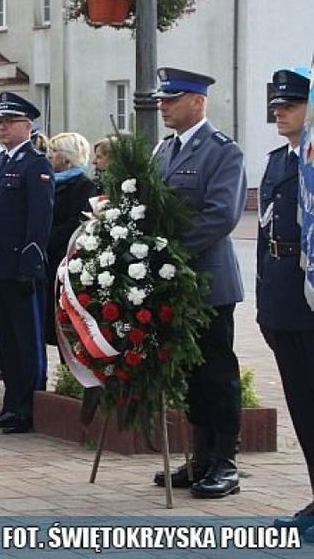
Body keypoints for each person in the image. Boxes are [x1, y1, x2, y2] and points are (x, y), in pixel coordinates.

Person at [149, 67, 246, 499]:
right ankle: (202, 456)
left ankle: (226, 461)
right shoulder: (163, 151)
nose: (163, 106)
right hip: (172, 284)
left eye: (172, 99)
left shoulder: (223, 151)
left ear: (198, 102)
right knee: (189, 372)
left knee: (216, 372)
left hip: (208, 281)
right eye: (162, 100)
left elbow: (221, 215)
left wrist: (170, 253)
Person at [0, 92, 54, 435]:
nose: (2, 127)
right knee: (6, 339)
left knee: (26, 340)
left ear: (28, 125)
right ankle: (11, 404)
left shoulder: (35, 164)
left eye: (9, 122)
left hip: (20, 266)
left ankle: (29, 406)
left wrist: (31, 261)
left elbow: (39, 220)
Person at [257, 69, 314, 531]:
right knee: (302, 406)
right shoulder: (278, 161)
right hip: (281, 300)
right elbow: (263, 235)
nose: (280, 111)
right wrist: (263, 306)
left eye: (290, 105)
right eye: (276, 105)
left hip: (309, 302)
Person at [45, 132, 98, 345]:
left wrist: (48, 239)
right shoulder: (48, 181)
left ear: (68, 156)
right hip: (47, 258)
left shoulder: (83, 185)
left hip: (63, 257)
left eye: (55, 151)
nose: (50, 155)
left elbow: (76, 222)